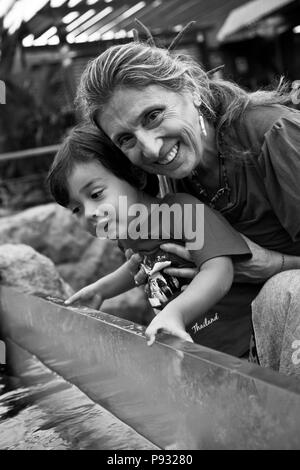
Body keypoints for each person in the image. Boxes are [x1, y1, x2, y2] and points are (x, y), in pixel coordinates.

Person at [75, 24, 300, 377]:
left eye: (153, 116)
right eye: (126, 139)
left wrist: (273, 265)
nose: (150, 148)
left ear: (191, 88)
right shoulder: (169, 181)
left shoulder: (274, 136)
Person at [48, 124, 257, 357]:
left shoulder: (181, 212)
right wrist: (100, 291)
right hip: (197, 351)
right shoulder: (127, 234)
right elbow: (143, 267)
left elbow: (219, 269)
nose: (88, 213)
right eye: (76, 209)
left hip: (243, 343)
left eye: (96, 194)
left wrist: (176, 313)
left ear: (133, 174)